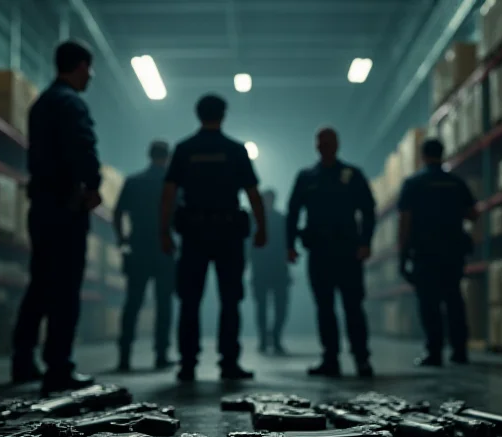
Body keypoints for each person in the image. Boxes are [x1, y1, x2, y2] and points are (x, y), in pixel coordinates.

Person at [11, 40, 101, 393]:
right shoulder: (71, 102)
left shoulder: (40, 104)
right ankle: (58, 367)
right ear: (79, 65)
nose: (90, 77)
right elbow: (83, 146)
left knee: (40, 284)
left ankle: (22, 360)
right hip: (66, 206)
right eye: (89, 69)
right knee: (65, 289)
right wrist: (92, 186)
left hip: (42, 205)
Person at [160, 94, 267, 383]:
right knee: (230, 300)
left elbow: (169, 193)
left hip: (193, 233)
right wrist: (261, 227)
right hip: (228, 234)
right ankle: (229, 364)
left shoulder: (184, 149)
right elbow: (252, 192)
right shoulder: (235, 150)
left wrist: (164, 232)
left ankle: (187, 364)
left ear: (197, 113)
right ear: (223, 115)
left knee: (189, 300)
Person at [287, 127, 375, 378]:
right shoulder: (306, 177)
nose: (324, 146)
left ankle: (362, 359)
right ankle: (330, 359)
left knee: (353, 307)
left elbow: (368, 210)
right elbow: (293, 212)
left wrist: (366, 242)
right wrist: (289, 245)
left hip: (347, 251)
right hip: (319, 252)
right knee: (324, 308)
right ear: (316, 146)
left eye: (329, 142)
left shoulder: (352, 175)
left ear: (337, 144)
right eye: (321, 142)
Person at [397, 138, 478, 367]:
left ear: (422, 156)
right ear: (443, 154)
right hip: (453, 250)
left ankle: (434, 352)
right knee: (454, 299)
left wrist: (402, 255)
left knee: (429, 303)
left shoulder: (413, 183)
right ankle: (460, 351)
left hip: (425, 251)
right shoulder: (455, 182)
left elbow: (405, 221)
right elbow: (473, 214)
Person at [113, 141, 175, 372]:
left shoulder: (134, 181)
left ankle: (124, 355)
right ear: (167, 157)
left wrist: (122, 239)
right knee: (164, 304)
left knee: (133, 302)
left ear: (149, 155)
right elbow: (179, 214)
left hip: (138, 246)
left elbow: (118, 212)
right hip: (164, 247)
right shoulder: (171, 183)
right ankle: (161, 354)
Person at [250, 189, 290, 355]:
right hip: (265, 269)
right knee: (263, 307)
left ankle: (274, 337)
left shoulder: (278, 220)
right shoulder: (277, 220)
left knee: (277, 307)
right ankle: (266, 339)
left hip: (274, 269)